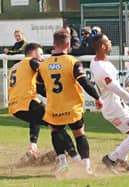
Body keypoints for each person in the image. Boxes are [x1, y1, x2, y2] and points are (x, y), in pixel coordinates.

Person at [38, 30, 102, 174]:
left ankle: (62, 163)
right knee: (79, 134)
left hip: (54, 107)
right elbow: (85, 82)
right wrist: (97, 97)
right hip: (72, 107)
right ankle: (86, 166)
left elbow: (39, 86)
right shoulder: (72, 62)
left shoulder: (43, 65)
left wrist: (50, 95)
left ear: (54, 44)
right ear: (68, 44)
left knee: (55, 132)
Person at [90, 33, 129, 173]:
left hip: (118, 103)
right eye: (108, 41)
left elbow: (114, 88)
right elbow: (115, 89)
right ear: (103, 46)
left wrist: (124, 91)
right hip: (113, 108)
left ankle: (120, 158)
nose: (111, 42)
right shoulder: (101, 69)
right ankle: (110, 159)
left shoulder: (99, 61)